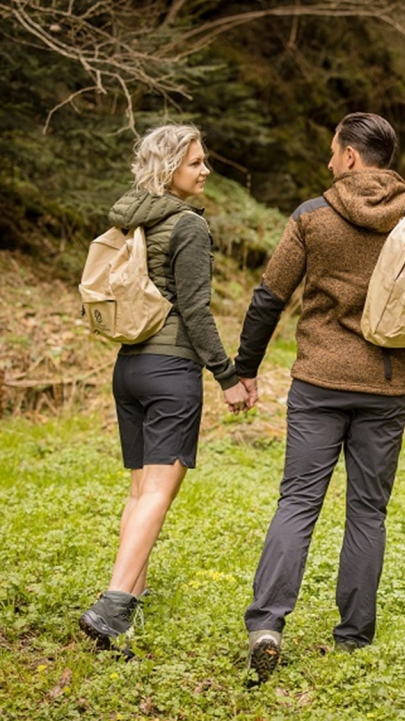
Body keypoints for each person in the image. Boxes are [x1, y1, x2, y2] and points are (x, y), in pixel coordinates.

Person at [234, 112, 405, 681]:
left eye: (332, 151)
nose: (329, 161)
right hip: (386, 387)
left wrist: (244, 369)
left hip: (318, 381)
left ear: (348, 157)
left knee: (297, 501)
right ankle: (354, 637)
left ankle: (268, 623)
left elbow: (269, 297)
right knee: (368, 510)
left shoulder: (312, 217)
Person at [80, 124, 250, 651]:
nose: (206, 170)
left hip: (128, 368)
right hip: (172, 372)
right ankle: (111, 606)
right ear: (170, 167)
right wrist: (229, 376)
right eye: (196, 162)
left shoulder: (133, 219)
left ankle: (129, 598)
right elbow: (195, 312)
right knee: (157, 492)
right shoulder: (188, 227)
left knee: (139, 491)